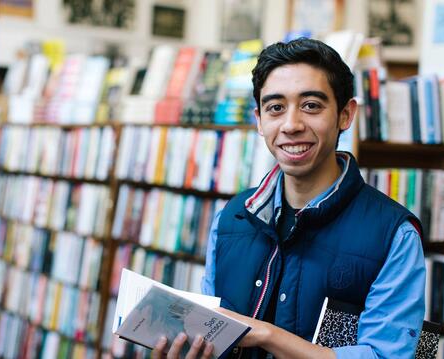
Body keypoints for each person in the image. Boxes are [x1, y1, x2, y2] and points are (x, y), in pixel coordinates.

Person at [152, 38, 426, 358]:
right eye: (275, 108)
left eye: (311, 105)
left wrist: (266, 335)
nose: (291, 125)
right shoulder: (231, 217)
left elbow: (387, 355)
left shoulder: (396, 233)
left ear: (345, 114)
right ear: (259, 119)